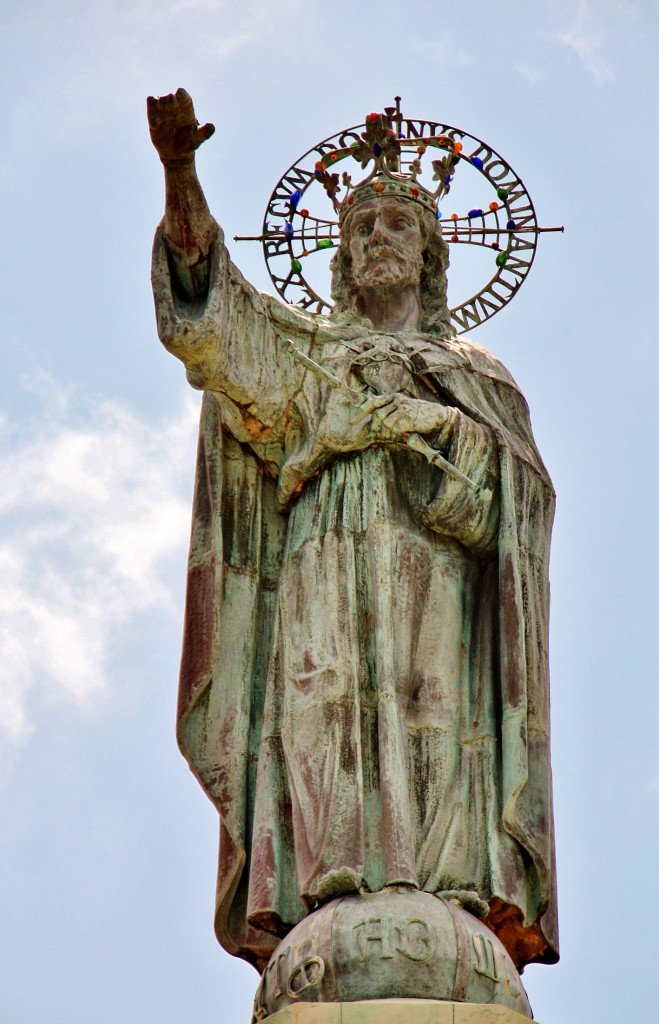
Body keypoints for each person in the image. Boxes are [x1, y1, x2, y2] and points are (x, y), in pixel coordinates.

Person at [148, 89, 558, 976]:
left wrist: (442, 434)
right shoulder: (303, 351)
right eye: (361, 223)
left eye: (396, 226)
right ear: (338, 256)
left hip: (431, 557)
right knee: (317, 701)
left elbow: (517, 508)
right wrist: (181, 175)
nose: (377, 236)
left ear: (429, 257)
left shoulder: (473, 374)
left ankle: (443, 886)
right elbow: (210, 319)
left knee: (431, 707)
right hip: (317, 549)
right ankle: (324, 882)